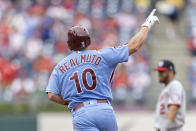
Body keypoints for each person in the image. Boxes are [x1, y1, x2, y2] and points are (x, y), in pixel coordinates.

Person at [46, 9, 160, 131]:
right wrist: (146, 25)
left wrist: (67, 103)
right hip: (104, 109)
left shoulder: (60, 66)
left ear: (69, 44)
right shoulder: (103, 55)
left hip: (81, 112)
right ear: (88, 40)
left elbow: (52, 95)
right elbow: (134, 46)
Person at [154, 60, 186, 131]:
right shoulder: (167, 88)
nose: (159, 74)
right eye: (158, 71)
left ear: (171, 72)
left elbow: (173, 108)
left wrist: (164, 127)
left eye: (162, 71)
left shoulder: (175, 85)